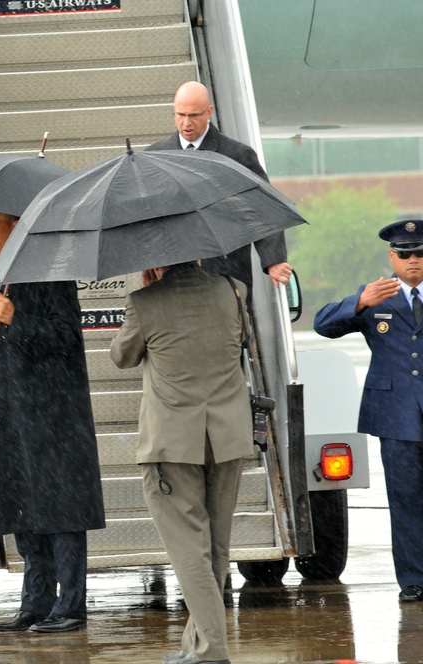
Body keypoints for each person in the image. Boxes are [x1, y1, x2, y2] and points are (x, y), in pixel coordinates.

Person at [0, 209, 105, 634]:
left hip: (55, 417)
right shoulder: (2, 276)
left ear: (15, 226)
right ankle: (35, 603)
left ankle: (70, 607)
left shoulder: (51, 271)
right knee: (27, 512)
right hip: (13, 416)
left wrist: (20, 318)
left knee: (62, 514)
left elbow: (67, 336)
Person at [110, 261, 252, 664]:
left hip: (173, 442)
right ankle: (198, 643)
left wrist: (148, 294)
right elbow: (237, 340)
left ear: (155, 262)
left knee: (189, 548)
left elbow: (122, 356)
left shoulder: (145, 302)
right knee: (216, 545)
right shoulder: (233, 289)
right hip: (226, 435)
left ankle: (211, 650)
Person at [313, 220, 423, 604]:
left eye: (420, 253)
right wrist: (359, 303)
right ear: (391, 257)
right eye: (405, 254)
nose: (414, 260)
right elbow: (323, 326)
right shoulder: (377, 297)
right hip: (396, 415)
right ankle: (414, 580)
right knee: (405, 499)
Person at [147, 81, 293, 292]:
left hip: (225, 274)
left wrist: (273, 260)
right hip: (172, 278)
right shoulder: (154, 156)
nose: (186, 123)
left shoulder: (237, 155)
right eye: (180, 115)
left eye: (194, 115)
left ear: (209, 112)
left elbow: (262, 208)